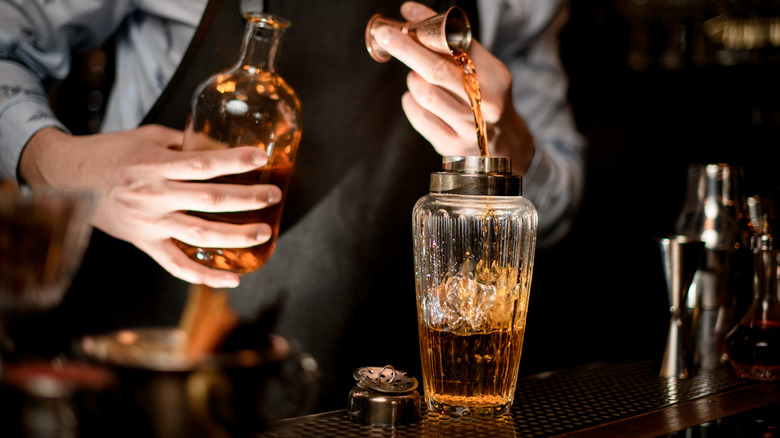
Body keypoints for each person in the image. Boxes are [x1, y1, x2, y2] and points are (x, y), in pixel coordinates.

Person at [0, 0, 585, 412]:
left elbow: (557, 206)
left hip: (391, 404)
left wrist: (507, 148)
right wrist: (57, 167)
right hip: (154, 379)